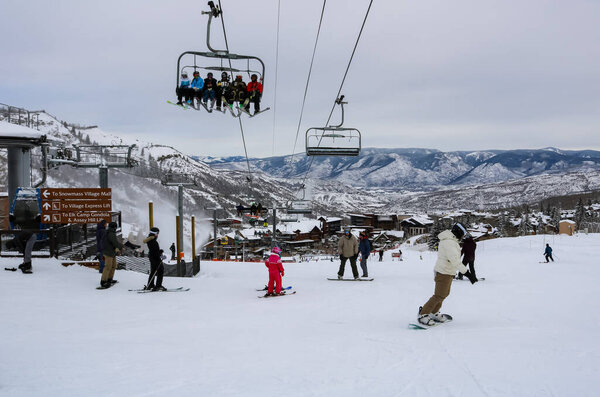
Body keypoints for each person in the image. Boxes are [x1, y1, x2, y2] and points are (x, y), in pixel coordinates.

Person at [417, 223, 473, 326]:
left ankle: (434, 312)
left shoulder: (451, 241)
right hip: (443, 272)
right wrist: (468, 273)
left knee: (444, 294)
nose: (462, 237)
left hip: (447, 271)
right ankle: (423, 314)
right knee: (438, 295)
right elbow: (454, 260)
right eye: (463, 234)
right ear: (458, 232)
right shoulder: (449, 242)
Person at [99, 222, 123, 289]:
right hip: (108, 253)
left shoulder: (109, 232)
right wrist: (122, 246)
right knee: (108, 267)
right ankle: (103, 282)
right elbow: (115, 243)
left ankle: (109, 279)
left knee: (114, 265)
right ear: (114, 227)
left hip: (112, 252)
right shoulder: (111, 233)